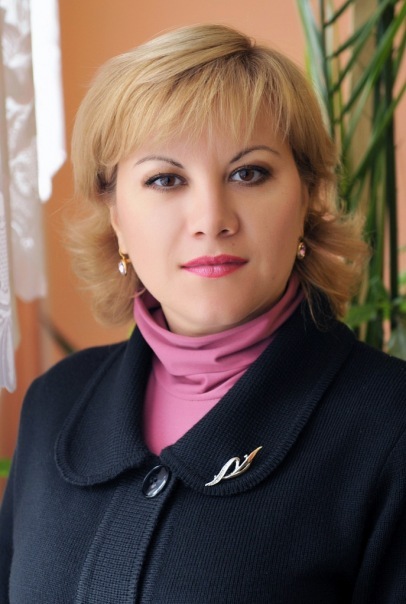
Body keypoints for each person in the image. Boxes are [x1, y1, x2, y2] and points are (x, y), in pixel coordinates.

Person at [0, 23, 405, 603]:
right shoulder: (54, 404)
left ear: (307, 197)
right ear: (116, 218)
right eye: (166, 179)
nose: (212, 218)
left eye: (248, 173)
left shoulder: (391, 424)